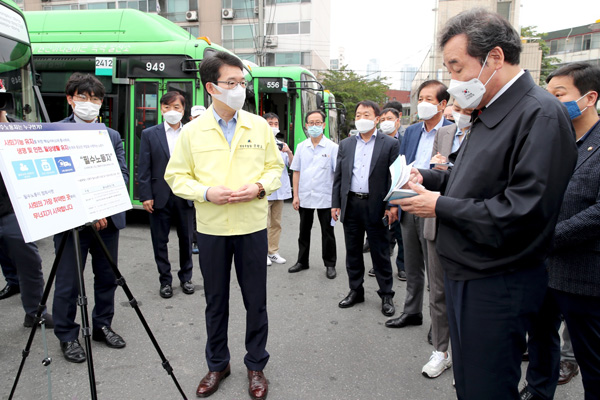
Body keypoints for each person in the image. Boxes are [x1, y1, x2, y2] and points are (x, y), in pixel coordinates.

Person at [394, 10, 577, 399]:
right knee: (473, 381)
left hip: (497, 278)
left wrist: (439, 206)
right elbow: (471, 180)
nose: (453, 81)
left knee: (486, 387)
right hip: (468, 269)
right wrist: (428, 179)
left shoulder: (539, 113)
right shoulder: (491, 110)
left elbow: (523, 210)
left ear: (494, 58)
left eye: (456, 67)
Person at [164, 51, 283, 400]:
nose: (239, 89)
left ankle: (256, 364)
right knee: (215, 301)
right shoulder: (192, 131)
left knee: (255, 301)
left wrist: (259, 187)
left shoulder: (259, 126)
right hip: (212, 229)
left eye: (242, 82)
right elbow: (176, 176)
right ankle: (218, 364)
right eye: (231, 83)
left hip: (250, 227)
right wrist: (204, 191)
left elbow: (274, 170)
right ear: (211, 87)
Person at [521, 62, 600, 400]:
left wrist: (548, 238)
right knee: (541, 338)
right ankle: (539, 392)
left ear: (589, 97)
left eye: (560, 94)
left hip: (583, 271)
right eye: (547, 95)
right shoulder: (552, 140)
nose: (551, 102)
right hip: (542, 267)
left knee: (592, 357)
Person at [53, 73, 129, 363]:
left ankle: (102, 325)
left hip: (108, 220)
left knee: (107, 277)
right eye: (83, 97)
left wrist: (101, 209)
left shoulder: (111, 135)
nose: (89, 103)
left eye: (95, 98)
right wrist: (88, 210)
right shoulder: (54, 132)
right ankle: (67, 335)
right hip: (72, 223)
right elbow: (59, 179)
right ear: (71, 99)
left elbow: (120, 175)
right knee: (68, 281)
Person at [386, 80, 451, 330]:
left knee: (436, 271)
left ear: (442, 104)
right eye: (420, 99)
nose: (423, 104)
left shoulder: (452, 131)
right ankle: (412, 312)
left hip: (434, 205)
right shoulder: (411, 131)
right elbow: (400, 168)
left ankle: (439, 324)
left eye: (429, 99)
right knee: (412, 264)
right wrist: (394, 202)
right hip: (408, 204)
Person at [332, 100, 399, 316]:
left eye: (367, 115)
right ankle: (355, 290)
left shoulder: (389, 144)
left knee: (379, 252)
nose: (362, 119)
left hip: (376, 205)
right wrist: (336, 203)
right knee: (352, 251)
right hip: (351, 203)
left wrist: (391, 205)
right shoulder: (346, 144)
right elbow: (339, 176)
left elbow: (393, 178)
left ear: (377, 119)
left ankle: (386, 294)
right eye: (358, 115)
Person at [420, 102, 472, 379]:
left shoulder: (488, 132)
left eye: (465, 105)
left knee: (468, 296)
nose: (459, 110)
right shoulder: (445, 133)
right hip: (436, 221)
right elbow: (437, 172)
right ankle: (441, 351)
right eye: (456, 104)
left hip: (469, 224)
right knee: (437, 291)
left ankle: (468, 356)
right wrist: (423, 175)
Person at [0, 89, 52, 328]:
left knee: (29, 262)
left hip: (12, 210)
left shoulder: (19, 129)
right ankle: (12, 282)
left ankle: (34, 311)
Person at [138, 91, 195, 299]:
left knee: (186, 239)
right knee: (159, 241)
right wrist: (145, 195)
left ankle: (186, 278)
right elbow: (143, 167)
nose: (172, 111)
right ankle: (165, 281)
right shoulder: (149, 134)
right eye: (167, 107)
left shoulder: (191, 133)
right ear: (161, 109)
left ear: (183, 109)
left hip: (185, 194)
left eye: (176, 107)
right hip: (159, 195)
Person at [288, 110, 338, 278]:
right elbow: (296, 172)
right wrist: (295, 196)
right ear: (306, 126)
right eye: (311, 123)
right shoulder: (302, 147)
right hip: (305, 196)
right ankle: (302, 261)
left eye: (318, 123)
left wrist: (336, 202)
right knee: (303, 230)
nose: (314, 126)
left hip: (326, 197)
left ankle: (330, 264)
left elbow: (337, 176)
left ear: (324, 125)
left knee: (328, 233)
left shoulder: (332, 147)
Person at [377, 106, 406, 281]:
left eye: (389, 118)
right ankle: (380, 264)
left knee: (400, 232)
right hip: (380, 191)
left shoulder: (404, 140)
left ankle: (402, 266)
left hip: (399, 189)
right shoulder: (377, 141)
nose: (386, 122)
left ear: (397, 120)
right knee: (381, 233)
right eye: (383, 119)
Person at [263, 112, 293, 266]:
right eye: (270, 123)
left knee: (276, 223)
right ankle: (263, 253)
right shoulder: (258, 142)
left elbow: (293, 165)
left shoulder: (281, 144)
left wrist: (288, 151)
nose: (273, 126)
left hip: (279, 191)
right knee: (264, 224)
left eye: (275, 124)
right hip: (265, 191)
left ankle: (273, 251)